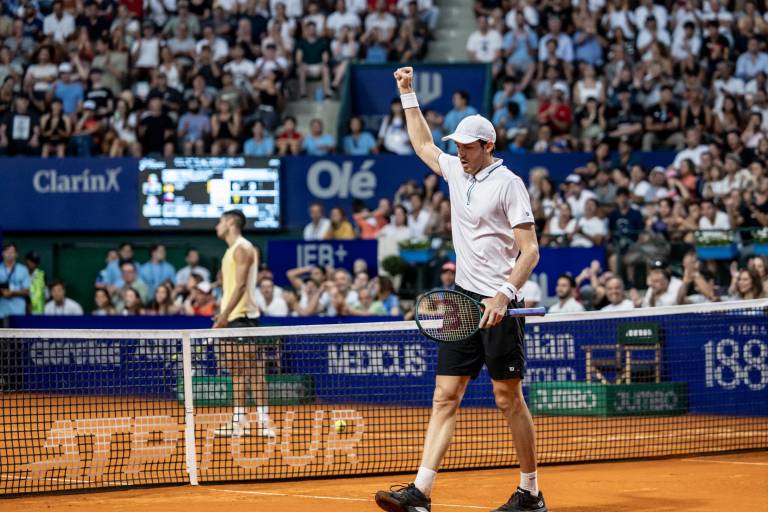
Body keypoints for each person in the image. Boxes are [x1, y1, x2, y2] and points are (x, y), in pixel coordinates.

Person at [375, 66, 547, 512]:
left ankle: (530, 492)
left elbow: (530, 252)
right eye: (459, 147)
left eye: (468, 147)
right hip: (463, 302)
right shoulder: (455, 171)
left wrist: (505, 294)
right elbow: (422, 144)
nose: (461, 153)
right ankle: (421, 491)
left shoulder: (510, 185)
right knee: (444, 395)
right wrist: (407, 93)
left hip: (500, 304)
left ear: (488, 146)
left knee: (508, 398)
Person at [213, 209, 274, 438]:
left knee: (255, 372)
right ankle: (239, 421)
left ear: (230, 223)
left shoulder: (243, 248)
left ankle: (265, 422)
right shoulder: (230, 251)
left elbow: (240, 287)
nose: (216, 227)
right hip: (232, 318)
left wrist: (224, 315)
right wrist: (223, 314)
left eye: (219, 222)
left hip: (243, 318)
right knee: (237, 372)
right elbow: (230, 288)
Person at [0, 242, 30, 318]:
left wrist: (12, 293)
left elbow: (27, 291)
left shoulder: (23, 269)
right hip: (1, 311)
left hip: (18, 311)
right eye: (7, 251)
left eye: (12, 252)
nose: (9, 254)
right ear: (2, 253)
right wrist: (2, 292)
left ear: (16, 254)